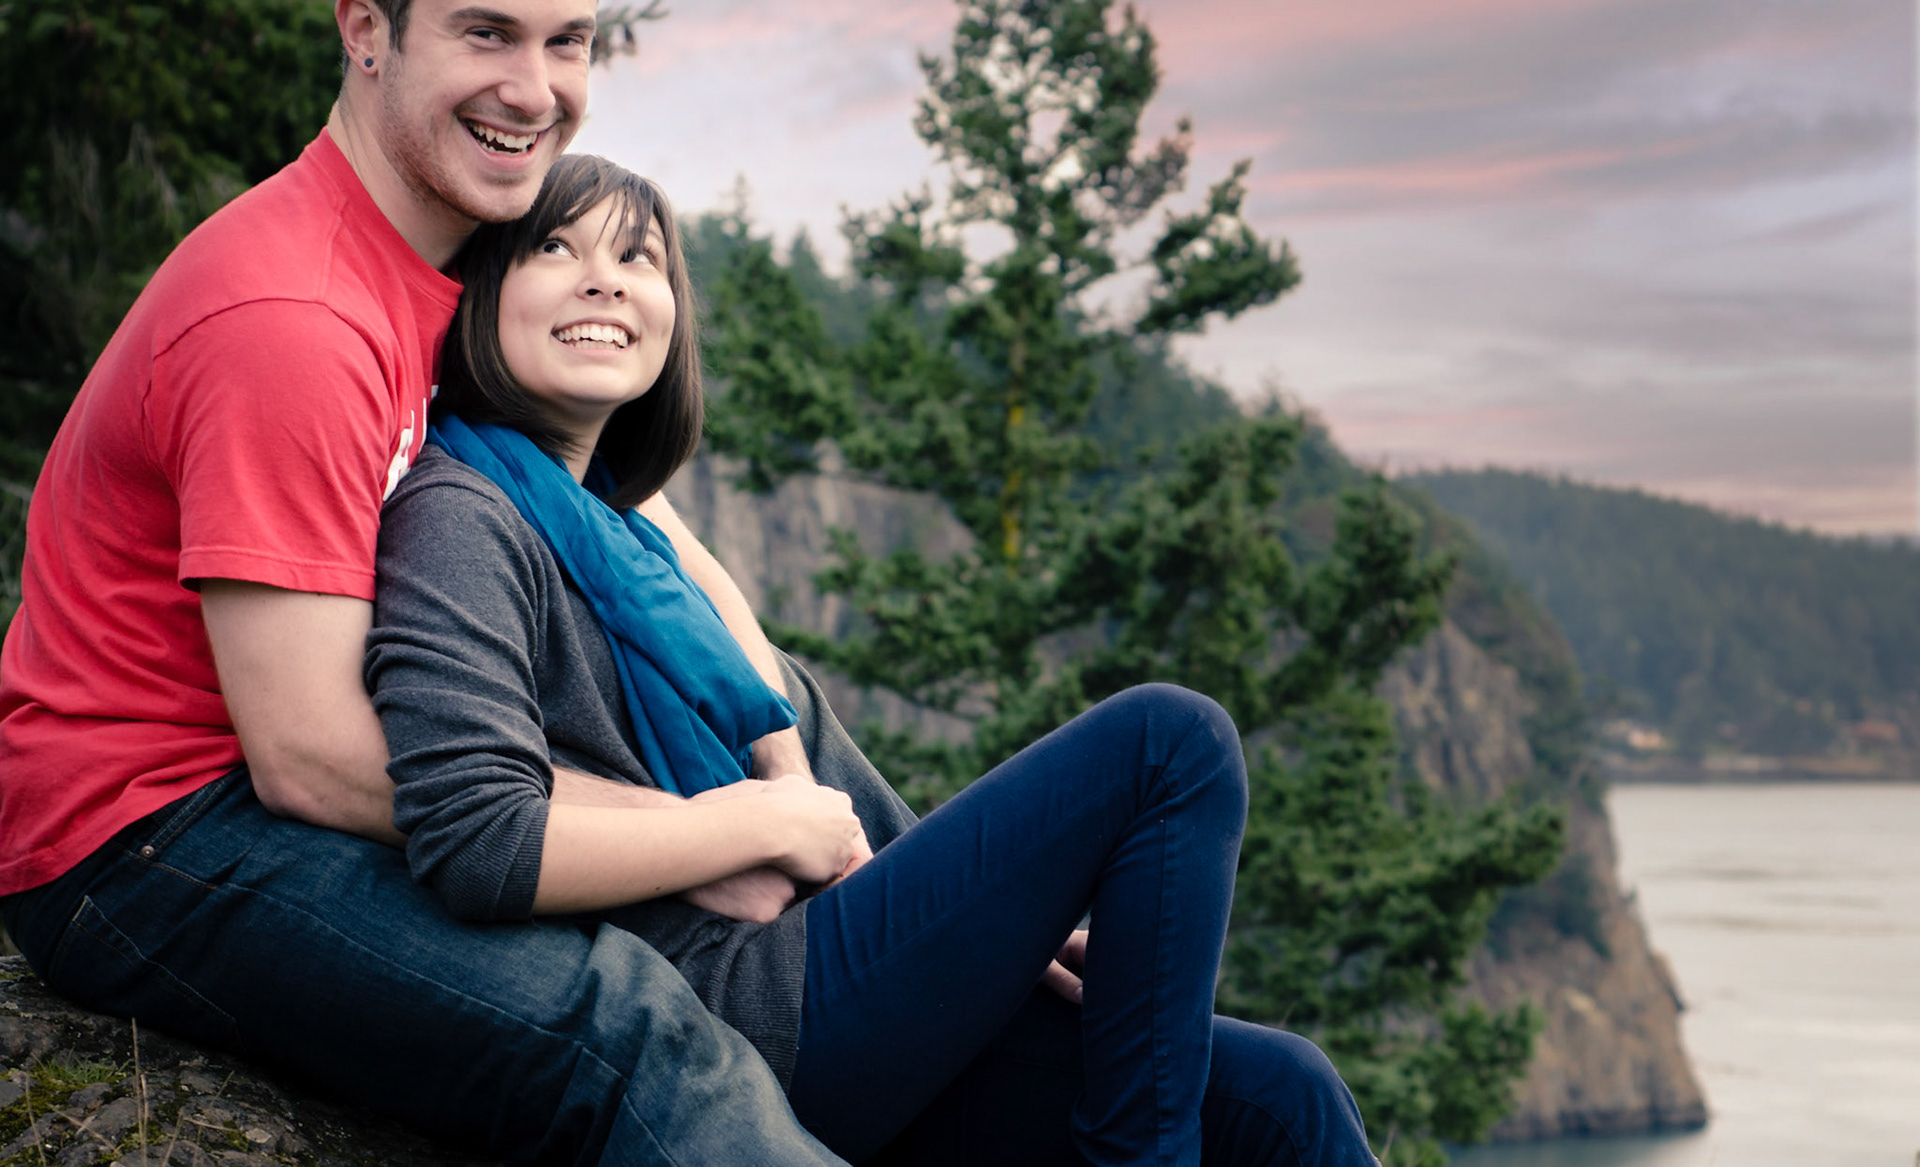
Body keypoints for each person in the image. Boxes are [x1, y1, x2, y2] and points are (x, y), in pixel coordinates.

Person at [0, 0, 852, 1163]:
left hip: (316, 762)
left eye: (568, 41)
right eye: (487, 34)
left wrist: (788, 777)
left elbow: (637, 517)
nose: (535, 90)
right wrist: (698, 833)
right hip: (148, 826)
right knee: (627, 1026)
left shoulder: (452, 249)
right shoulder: (294, 318)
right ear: (367, 31)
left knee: (768, 732)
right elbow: (309, 759)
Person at [369, 151, 1381, 1167]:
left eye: (639, 258)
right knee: (1171, 743)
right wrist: (750, 825)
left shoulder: (626, 538)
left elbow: (811, 768)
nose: (605, 280)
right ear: (481, 293)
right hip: (740, 1008)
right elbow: (478, 835)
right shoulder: (463, 514)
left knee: (1283, 1092)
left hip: (832, 966)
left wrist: (1006, 925)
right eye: (556, 247)